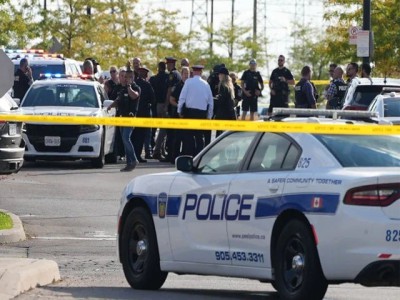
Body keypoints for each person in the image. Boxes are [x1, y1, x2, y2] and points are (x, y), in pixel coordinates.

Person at [107, 69, 141, 172]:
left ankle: (134, 160)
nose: (125, 79)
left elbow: (134, 96)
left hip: (130, 118)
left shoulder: (135, 87)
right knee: (124, 140)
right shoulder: (122, 89)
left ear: (132, 78)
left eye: (127, 77)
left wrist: (129, 86)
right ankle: (129, 163)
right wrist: (110, 106)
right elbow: (118, 100)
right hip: (121, 117)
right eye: (124, 77)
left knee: (126, 138)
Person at [178, 65, 213, 156]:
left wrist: (179, 111)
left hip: (190, 113)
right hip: (201, 114)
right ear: (201, 72)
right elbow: (210, 102)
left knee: (189, 136)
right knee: (199, 137)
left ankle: (189, 155)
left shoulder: (188, 82)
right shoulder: (206, 84)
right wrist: (209, 116)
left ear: (193, 72)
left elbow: (182, 97)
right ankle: (198, 156)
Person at [152, 57, 181, 161]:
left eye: (168, 64)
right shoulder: (177, 74)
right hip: (173, 107)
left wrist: (166, 105)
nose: (167, 66)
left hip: (170, 107)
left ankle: (158, 151)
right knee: (166, 131)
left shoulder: (173, 75)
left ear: (171, 64)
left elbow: (169, 90)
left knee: (165, 131)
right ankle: (162, 151)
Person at [131, 67, 155, 163]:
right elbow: (153, 99)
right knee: (141, 136)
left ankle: (132, 155)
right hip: (144, 114)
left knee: (133, 136)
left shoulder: (134, 84)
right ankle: (138, 155)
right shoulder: (147, 85)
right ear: (145, 75)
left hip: (134, 113)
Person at [169, 66, 190, 163]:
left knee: (187, 139)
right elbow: (171, 100)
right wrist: (179, 106)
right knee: (177, 138)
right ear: (181, 75)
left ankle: (185, 157)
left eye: (188, 74)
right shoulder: (178, 86)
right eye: (184, 73)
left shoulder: (191, 86)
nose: (186, 75)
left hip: (188, 116)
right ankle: (174, 157)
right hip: (178, 115)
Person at [149, 61, 169, 159]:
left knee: (158, 129)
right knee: (163, 130)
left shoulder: (153, 79)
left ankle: (160, 149)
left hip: (156, 105)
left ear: (158, 68)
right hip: (164, 105)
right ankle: (158, 150)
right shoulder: (167, 77)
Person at [215, 67, 237, 137]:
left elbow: (222, 101)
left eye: (220, 74)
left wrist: (215, 99)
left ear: (224, 75)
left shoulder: (223, 86)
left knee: (220, 137)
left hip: (223, 115)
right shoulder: (229, 86)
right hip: (230, 115)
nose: (219, 75)